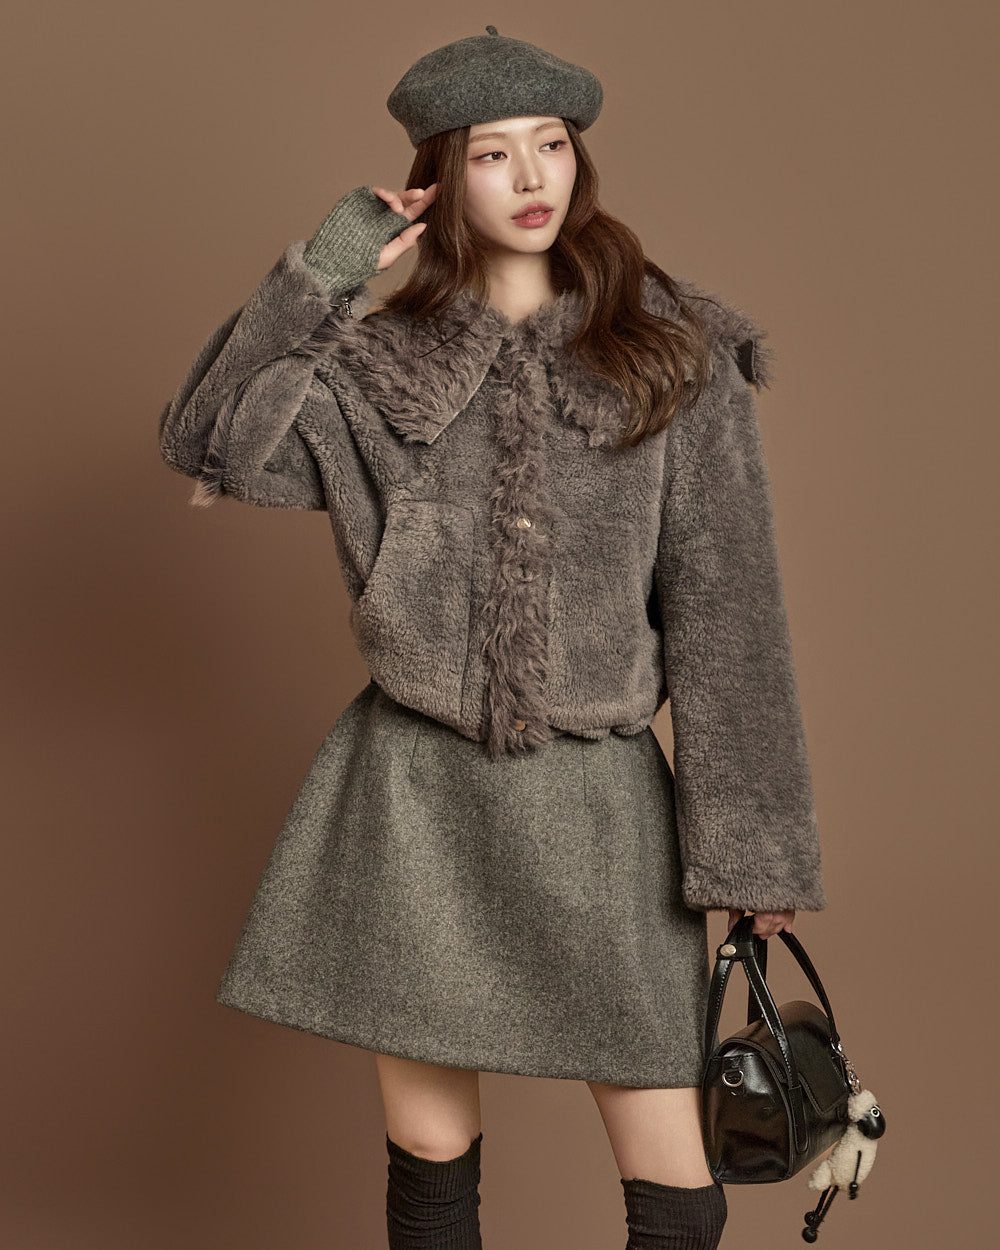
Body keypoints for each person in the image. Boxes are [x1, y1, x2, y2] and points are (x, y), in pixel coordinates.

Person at [158, 24, 828, 1250]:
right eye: (491, 153)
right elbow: (206, 437)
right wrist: (327, 267)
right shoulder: (380, 366)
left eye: (552, 145)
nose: (531, 178)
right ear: (439, 175)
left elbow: (729, 610)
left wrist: (752, 850)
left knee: (676, 1191)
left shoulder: (673, 352)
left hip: (599, 811)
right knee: (429, 1170)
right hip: (414, 801)